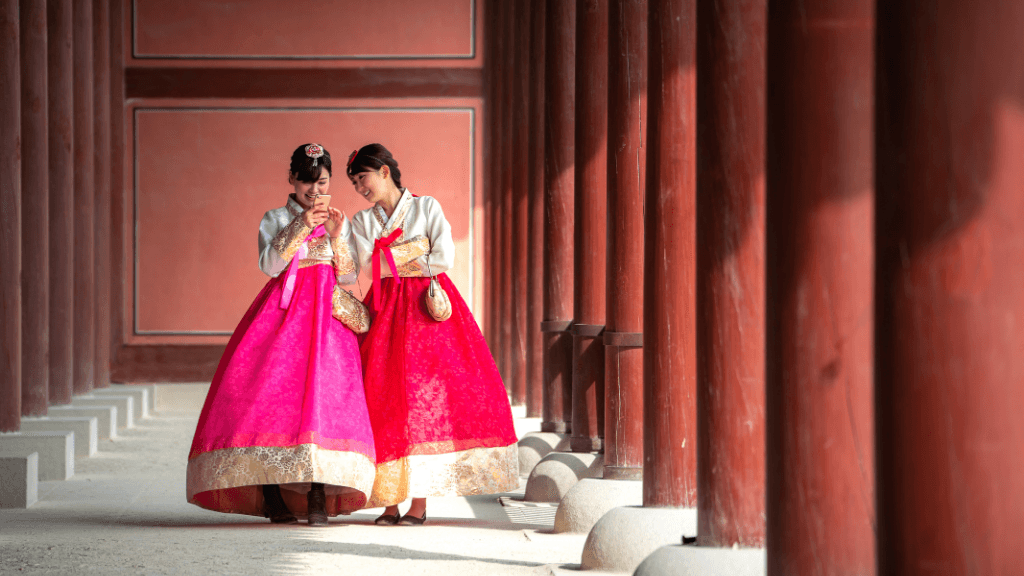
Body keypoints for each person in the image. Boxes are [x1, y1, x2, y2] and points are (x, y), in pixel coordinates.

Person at [186, 143, 376, 526]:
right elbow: (270, 265)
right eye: (306, 182)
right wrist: (303, 223)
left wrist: (338, 235)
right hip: (283, 316)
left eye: (321, 182)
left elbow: (350, 277)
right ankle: (272, 492)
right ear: (291, 179)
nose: (314, 191)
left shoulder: (341, 220)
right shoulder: (275, 217)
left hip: (327, 320)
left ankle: (319, 492)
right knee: (271, 399)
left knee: (326, 402)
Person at [346, 143, 519, 526]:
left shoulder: (427, 208)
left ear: (385, 171)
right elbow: (364, 264)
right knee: (383, 398)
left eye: (363, 178)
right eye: (355, 182)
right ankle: (388, 502)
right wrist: (413, 251)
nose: (360, 187)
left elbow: (443, 257)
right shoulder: (361, 221)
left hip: (427, 313)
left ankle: (419, 504)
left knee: (422, 404)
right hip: (385, 311)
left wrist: (389, 257)